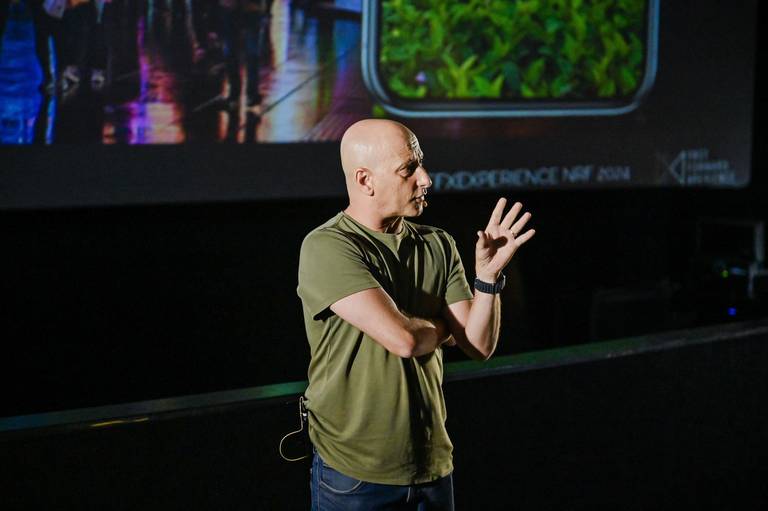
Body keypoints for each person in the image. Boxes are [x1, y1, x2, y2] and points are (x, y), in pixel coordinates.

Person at [296, 118, 535, 510]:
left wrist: (487, 279)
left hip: (432, 466)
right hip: (355, 475)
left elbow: (478, 345)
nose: (425, 179)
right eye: (408, 169)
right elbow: (404, 340)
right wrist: (446, 329)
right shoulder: (328, 246)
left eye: (420, 164)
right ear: (365, 180)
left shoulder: (437, 243)